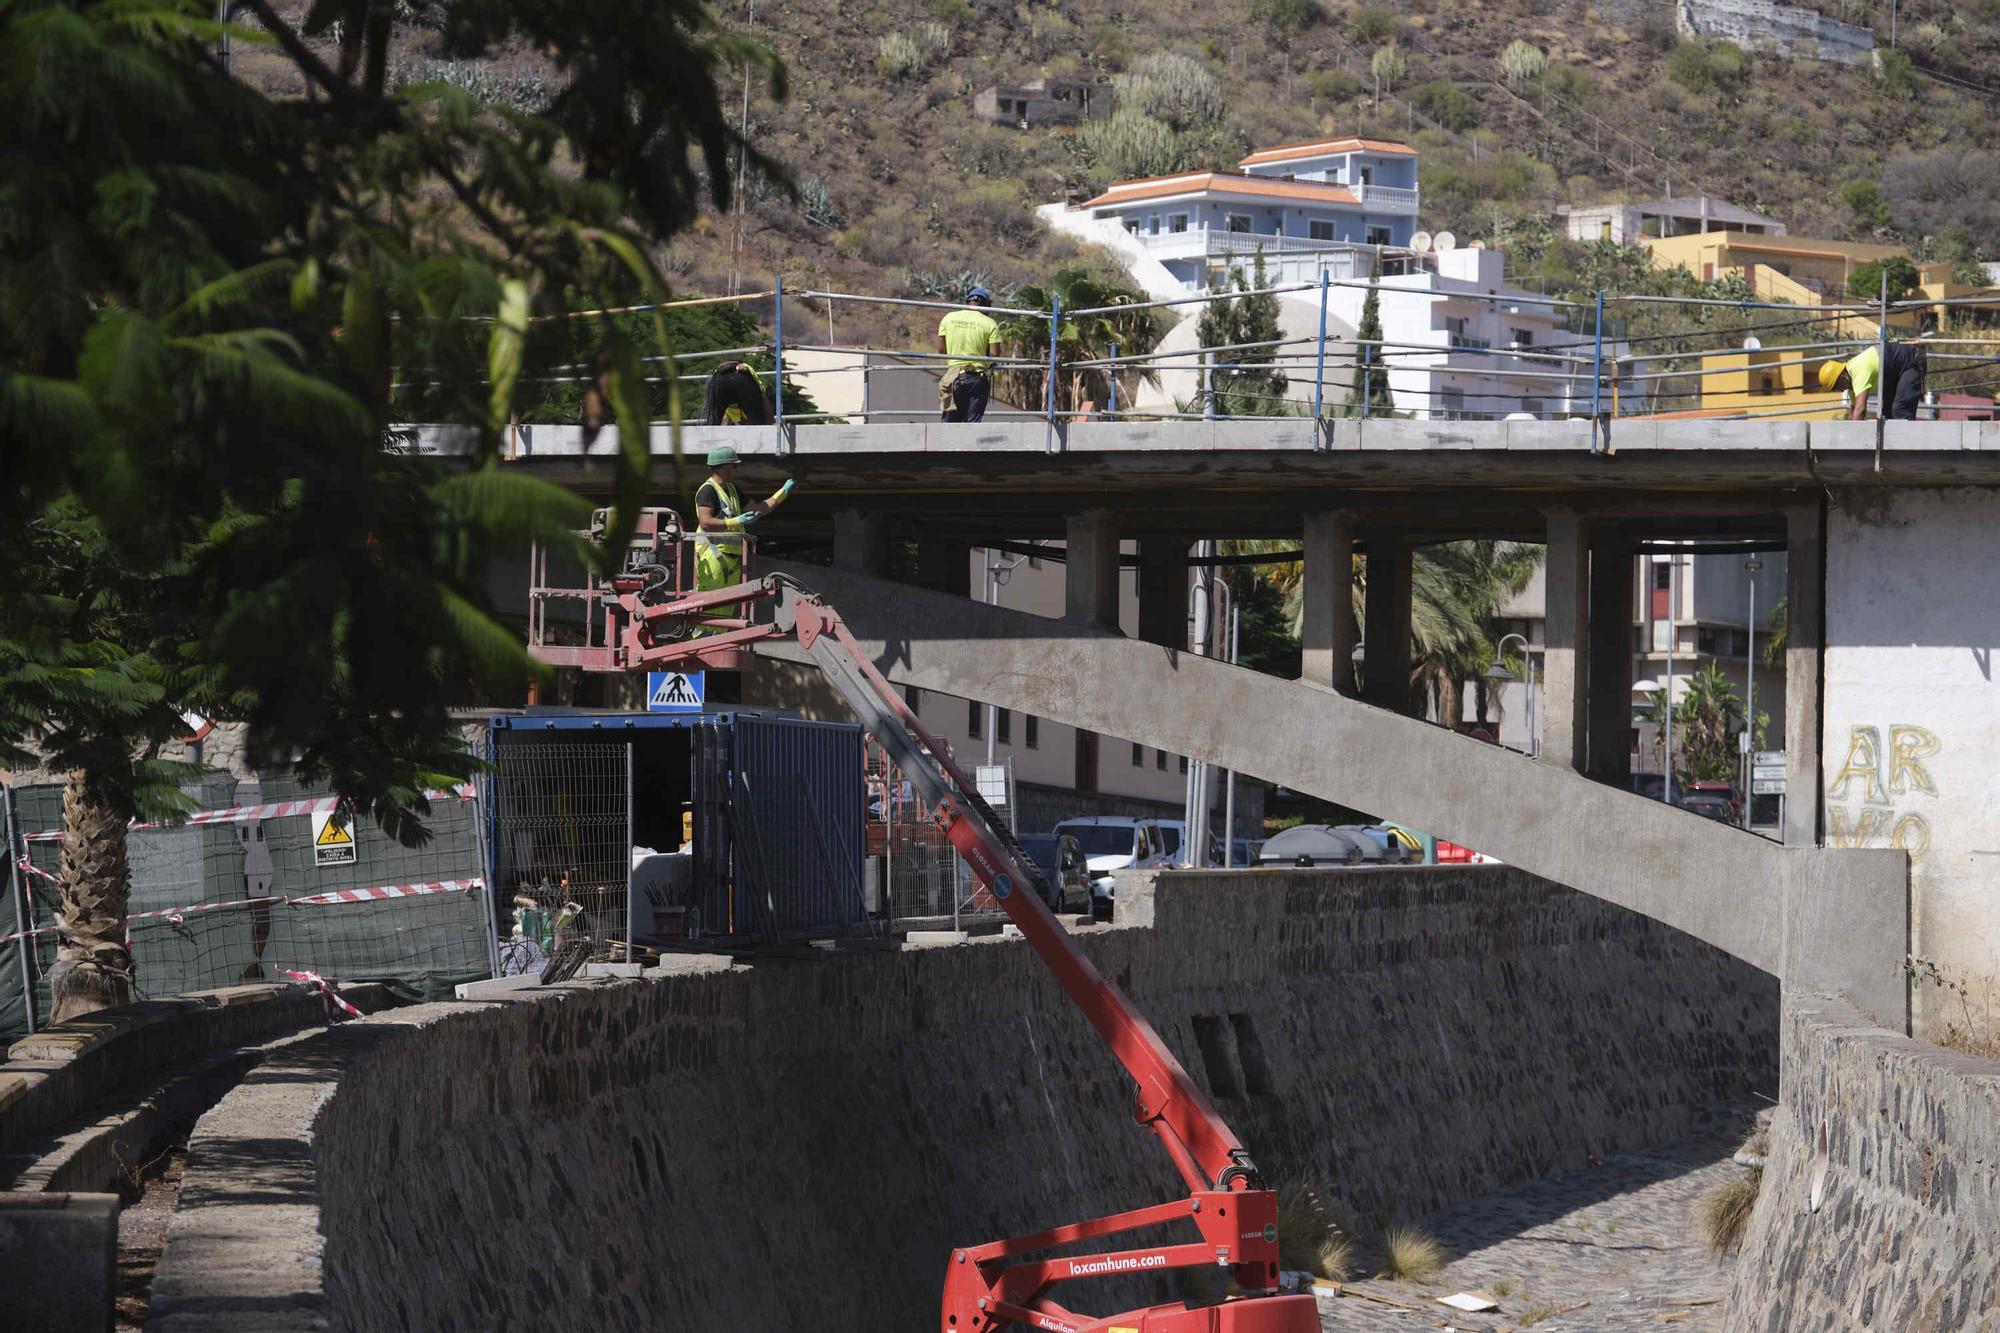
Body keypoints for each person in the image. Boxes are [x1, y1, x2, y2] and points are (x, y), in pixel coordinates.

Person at [692, 444, 794, 612]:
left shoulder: (733, 490)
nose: (737, 470)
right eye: (735, 466)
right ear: (725, 468)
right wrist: (736, 520)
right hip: (712, 556)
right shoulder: (707, 491)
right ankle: (700, 637)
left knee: (725, 609)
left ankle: (720, 639)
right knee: (708, 607)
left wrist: (782, 493)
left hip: (731, 558)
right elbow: (705, 522)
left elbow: (758, 510)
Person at [1819, 340, 1928, 421]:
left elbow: (1860, 409)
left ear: (1842, 377)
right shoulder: (1851, 380)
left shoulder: (1858, 372)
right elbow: (1854, 409)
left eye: (1837, 387)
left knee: (1900, 409)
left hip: (1911, 362)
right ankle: (1891, 450)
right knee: (1887, 412)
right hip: (1894, 371)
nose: (1842, 391)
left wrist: (1853, 443)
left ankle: (1906, 449)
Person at [936, 286, 999, 422]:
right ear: (986, 305)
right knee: (972, 425)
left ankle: (947, 443)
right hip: (977, 378)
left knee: (949, 424)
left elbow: (941, 349)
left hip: (953, 378)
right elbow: (995, 355)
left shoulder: (949, 318)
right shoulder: (990, 323)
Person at [704, 360, 772, 426]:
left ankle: (711, 434)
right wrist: (769, 422)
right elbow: (764, 396)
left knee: (714, 423)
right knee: (758, 423)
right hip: (742, 380)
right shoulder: (746, 368)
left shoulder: (728, 410)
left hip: (718, 379)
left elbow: (724, 420)